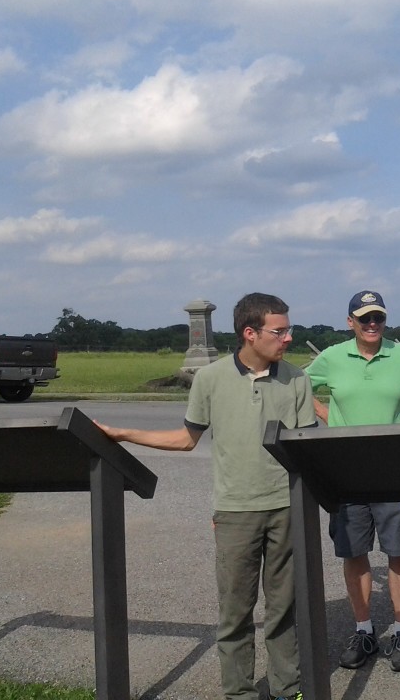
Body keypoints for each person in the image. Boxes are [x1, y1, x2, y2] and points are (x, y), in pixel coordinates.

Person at [98, 293, 315, 700]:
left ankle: (287, 689)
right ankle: (240, 692)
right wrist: (123, 433)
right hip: (236, 511)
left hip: (287, 508)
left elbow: (305, 448)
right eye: (279, 331)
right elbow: (185, 440)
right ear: (250, 334)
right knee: (235, 611)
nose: (288, 338)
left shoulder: (297, 378)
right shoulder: (210, 379)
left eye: (288, 330)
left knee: (284, 608)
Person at [305, 290, 400, 672]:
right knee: (353, 552)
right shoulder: (332, 357)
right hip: (345, 472)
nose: (372, 325)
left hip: (394, 470)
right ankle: (364, 629)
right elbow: (296, 389)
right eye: (364, 318)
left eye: (378, 319)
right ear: (350, 321)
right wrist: (324, 414)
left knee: (398, 551)